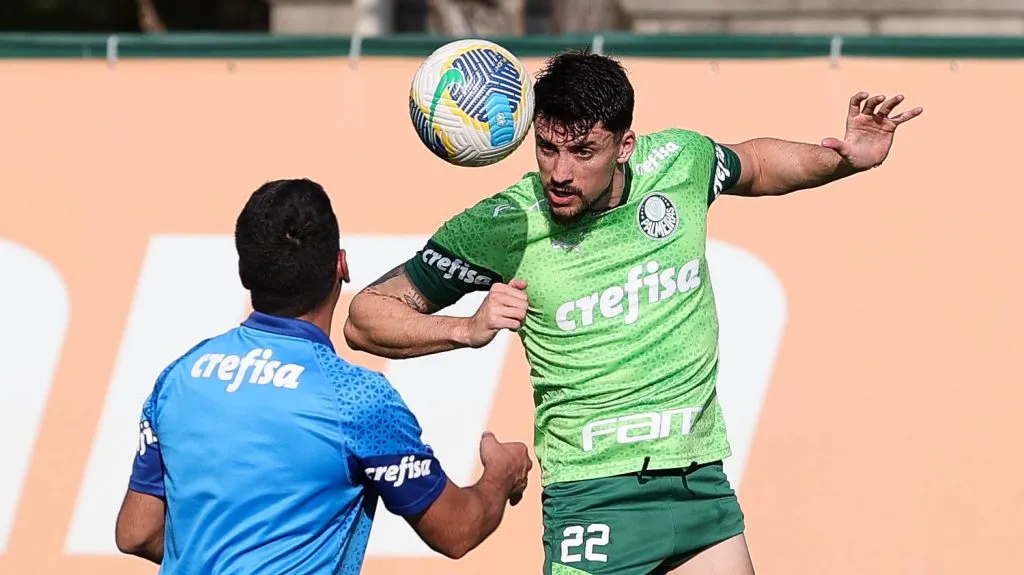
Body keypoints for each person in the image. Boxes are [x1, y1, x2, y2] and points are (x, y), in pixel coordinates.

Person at [344, 49, 923, 575]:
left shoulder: (680, 163)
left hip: (700, 487)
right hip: (592, 497)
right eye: (547, 148)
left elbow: (756, 164)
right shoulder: (507, 223)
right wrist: (465, 329)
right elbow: (365, 317)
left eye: (582, 151)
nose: (560, 172)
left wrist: (847, 160)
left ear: (625, 146)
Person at [113, 178, 532, 573]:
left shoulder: (180, 378)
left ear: (245, 273)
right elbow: (457, 530)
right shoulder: (357, 400)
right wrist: (502, 473)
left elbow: (138, 532)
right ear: (341, 266)